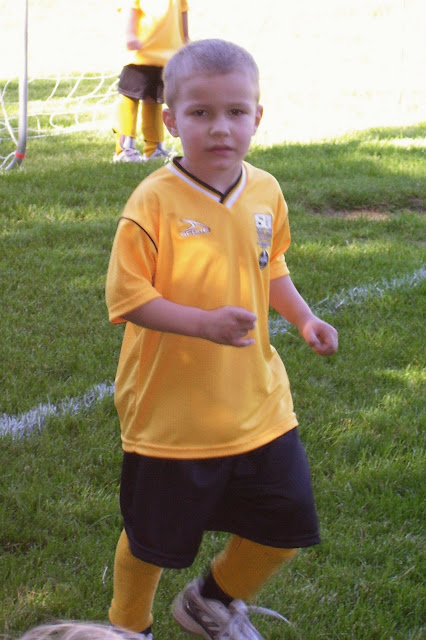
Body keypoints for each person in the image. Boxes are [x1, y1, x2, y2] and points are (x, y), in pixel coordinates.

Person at [105, 38, 338, 640]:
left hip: (259, 402)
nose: (220, 128)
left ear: (257, 117)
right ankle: (128, 627)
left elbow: (271, 266)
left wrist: (303, 318)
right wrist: (204, 324)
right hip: (171, 412)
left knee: (285, 527)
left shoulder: (265, 190)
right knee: (152, 542)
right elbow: (128, 298)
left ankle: (210, 602)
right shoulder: (153, 201)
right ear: (170, 120)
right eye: (201, 113)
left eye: (235, 112)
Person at [113, 0, 189, 164]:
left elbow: (182, 13)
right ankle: (124, 149)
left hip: (167, 57)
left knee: (154, 100)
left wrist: (186, 42)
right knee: (129, 97)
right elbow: (130, 8)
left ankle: (154, 149)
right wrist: (130, 34)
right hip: (141, 54)